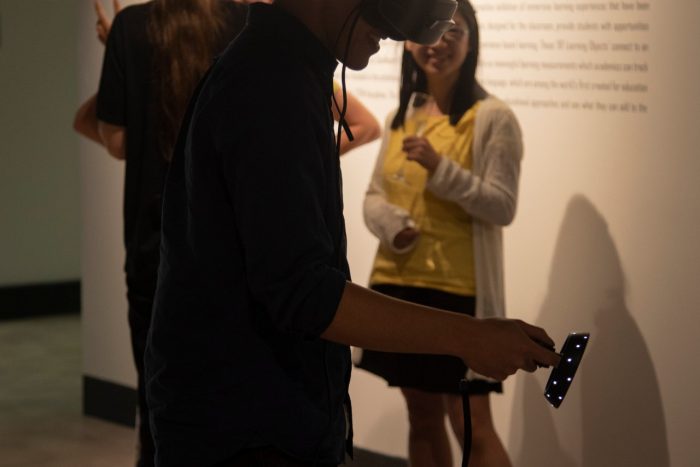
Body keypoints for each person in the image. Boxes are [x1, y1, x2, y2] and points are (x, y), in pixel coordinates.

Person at [143, 1, 560, 466]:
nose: (396, 31)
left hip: (256, 417)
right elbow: (302, 291)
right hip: (246, 428)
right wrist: (468, 337)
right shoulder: (270, 84)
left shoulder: (282, 73)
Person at [72, 1, 248, 466]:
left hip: (156, 252)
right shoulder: (247, 21)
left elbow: (116, 141)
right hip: (235, 255)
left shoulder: (132, 26)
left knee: (160, 411)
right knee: (231, 412)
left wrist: (124, 61)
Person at [358, 2, 520, 466]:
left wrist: (439, 168)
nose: (441, 43)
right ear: (410, 42)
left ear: (472, 42)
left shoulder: (493, 118)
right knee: (422, 418)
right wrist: (394, 227)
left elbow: (502, 206)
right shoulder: (400, 116)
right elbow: (372, 196)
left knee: (471, 425)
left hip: (461, 292)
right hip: (399, 286)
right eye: (433, 32)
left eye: (456, 32)